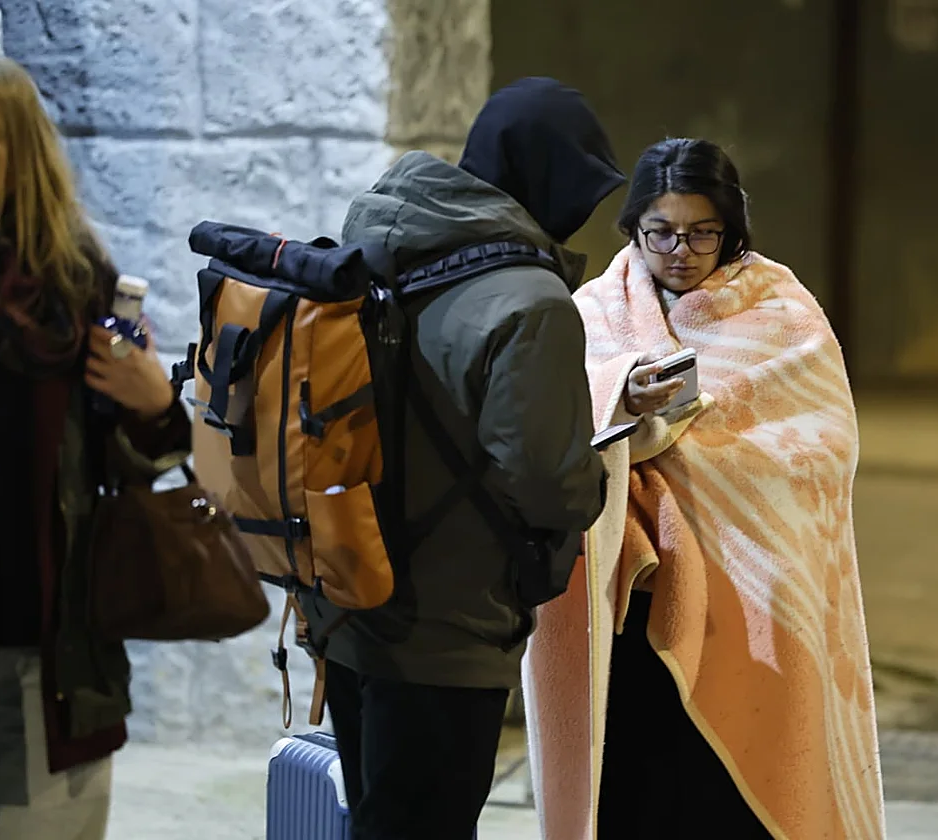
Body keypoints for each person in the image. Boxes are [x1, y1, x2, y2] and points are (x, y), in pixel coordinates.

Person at [523, 138, 887, 840]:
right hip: (632, 606)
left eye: (701, 232)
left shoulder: (784, 316)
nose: (680, 250)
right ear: (632, 228)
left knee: (728, 799)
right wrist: (620, 399)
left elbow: (822, 452)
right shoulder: (594, 311)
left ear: (732, 229)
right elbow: (543, 418)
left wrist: (704, 448)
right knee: (638, 788)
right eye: (659, 231)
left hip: (750, 604)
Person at [324, 77, 624, 840]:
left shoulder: (382, 242)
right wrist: (603, 470)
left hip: (352, 601)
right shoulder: (532, 299)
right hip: (446, 629)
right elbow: (548, 483)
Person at [0, 52, 190, 840]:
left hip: (57, 664)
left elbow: (133, 459)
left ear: (23, 150)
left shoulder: (80, 289)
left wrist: (155, 403)